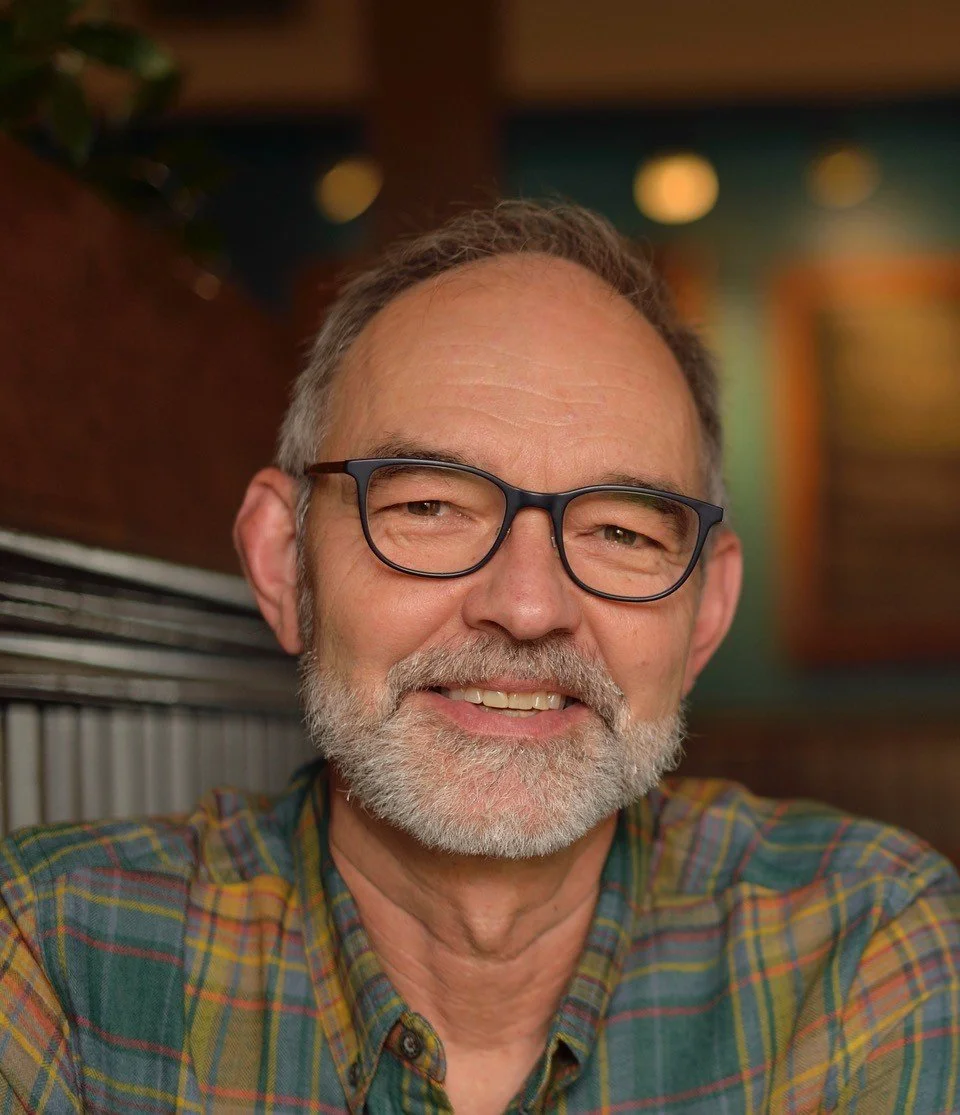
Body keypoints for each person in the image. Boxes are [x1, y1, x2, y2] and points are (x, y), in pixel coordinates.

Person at [1, 201, 958, 1115]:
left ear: (705, 611)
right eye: (428, 507)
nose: (529, 607)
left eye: (621, 531)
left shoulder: (865, 945)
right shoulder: (58, 955)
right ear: (285, 562)